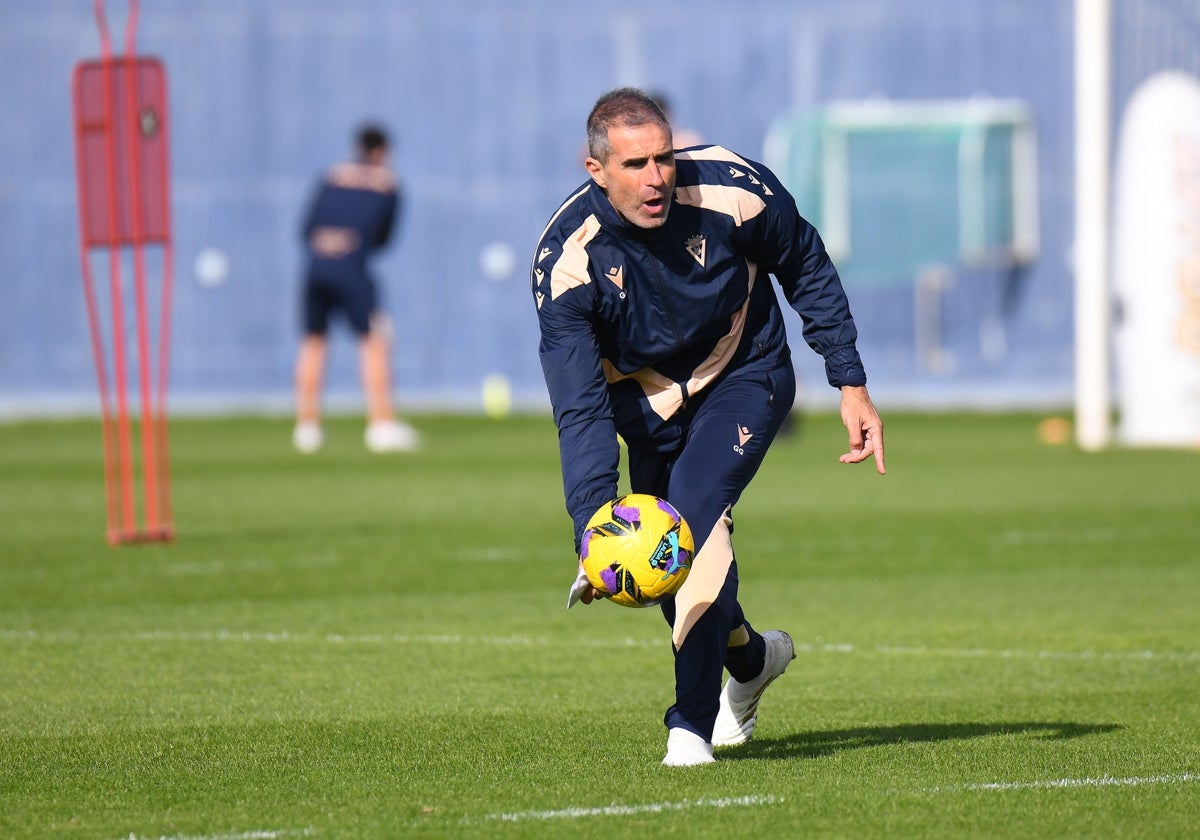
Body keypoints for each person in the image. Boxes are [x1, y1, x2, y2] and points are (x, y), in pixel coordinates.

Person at [531, 88, 885, 766]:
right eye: (635, 164)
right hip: (649, 414)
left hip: (745, 379)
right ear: (595, 169)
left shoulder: (732, 187)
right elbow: (580, 410)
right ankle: (751, 659)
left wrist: (850, 380)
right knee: (669, 572)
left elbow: (804, 262)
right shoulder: (567, 263)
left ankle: (688, 730)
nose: (656, 177)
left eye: (663, 157)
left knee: (685, 525)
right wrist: (593, 533)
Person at [292, 124, 419, 454]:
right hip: (351, 268)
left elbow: (306, 228)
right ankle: (381, 424)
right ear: (382, 151)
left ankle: (307, 427)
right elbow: (382, 238)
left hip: (316, 265)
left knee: (313, 341)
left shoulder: (332, 174)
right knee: (374, 341)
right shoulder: (387, 182)